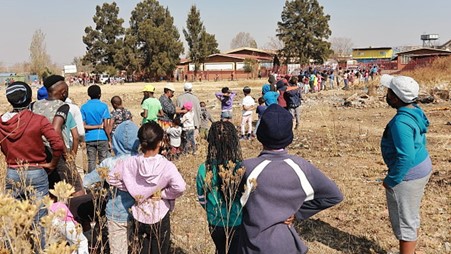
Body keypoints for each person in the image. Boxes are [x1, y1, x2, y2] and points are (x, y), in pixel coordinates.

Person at [238, 104, 343, 254]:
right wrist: (297, 213)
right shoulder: (301, 166)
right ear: (290, 138)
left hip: (253, 245)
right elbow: (334, 196)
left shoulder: (247, 168)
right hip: (288, 245)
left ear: (260, 136)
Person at [0, 81, 65, 248]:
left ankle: (14, 249)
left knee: (13, 217)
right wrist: (52, 163)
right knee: (40, 218)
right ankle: (41, 249)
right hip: (37, 170)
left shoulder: (2, 122)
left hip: (13, 171)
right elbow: (57, 144)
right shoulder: (38, 120)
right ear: (30, 98)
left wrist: (10, 155)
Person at [108, 121, 186, 254]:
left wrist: (131, 187)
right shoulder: (166, 165)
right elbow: (180, 187)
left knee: (142, 249)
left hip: (139, 213)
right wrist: (162, 194)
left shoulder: (130, 162)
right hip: (159, 214)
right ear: (160, 142)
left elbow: (111, 177)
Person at [380, 75, 432, 254]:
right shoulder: (414, 111)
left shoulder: (401, 122)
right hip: (422, 165)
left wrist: (392, 179)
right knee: (410, 214)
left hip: (408, 176)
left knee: (404, 220)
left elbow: (406, 156)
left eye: (388, 91)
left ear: (395, 97)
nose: (386, 94)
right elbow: (420, 141)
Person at [83, 120, 140, 254]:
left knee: (118, 249)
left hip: (116, 214)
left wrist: (101, 187)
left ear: (115, 141)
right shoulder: (142, 161)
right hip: (140, 213)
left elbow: (86, 182)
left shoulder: (109, 163)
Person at [196, 121, 243, 254]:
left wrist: (212, 209)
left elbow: (201, 197)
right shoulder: (241, 168)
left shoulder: (204, 168)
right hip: (238, 221)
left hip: (215, 222)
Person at [32, 75, 83, 196]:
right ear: (64, 93)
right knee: (75, 188)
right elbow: (56, 130)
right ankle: (77, 214)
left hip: (40, 154)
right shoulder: (62, 106)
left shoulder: (34, 105)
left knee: (51, 190)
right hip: (58, 152)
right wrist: (66, 154)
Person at [80, 84, 111, 173]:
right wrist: (109, 139)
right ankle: (104, 182)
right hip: (102, 137)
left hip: (89, 137)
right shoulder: (104, 106)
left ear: (89, 95)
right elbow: (106, 125)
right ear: (100, 94)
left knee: (91, 161)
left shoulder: (84, 107)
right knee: (103, 161)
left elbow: (83, 125)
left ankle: (92, 182)